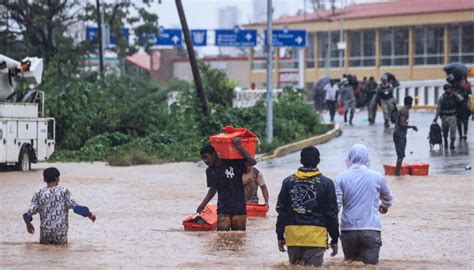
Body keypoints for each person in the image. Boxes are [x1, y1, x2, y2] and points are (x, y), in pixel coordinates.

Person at [276, 146, 339, 267]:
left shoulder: (288, 182)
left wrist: (280, 235)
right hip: (315, 238)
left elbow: (281, 211)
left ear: (301, 161)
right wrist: (334, 238)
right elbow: (331, 214)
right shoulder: (326, 183)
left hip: (293, 237)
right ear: (318, 161)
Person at [334, 144, 393, 265]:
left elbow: (336, 205)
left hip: (348, 230)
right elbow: (388, 197)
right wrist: (385, 205)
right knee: (370, 267)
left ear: (350, 158)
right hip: (371, 229)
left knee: (350, 265)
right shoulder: (377, 177)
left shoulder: (340, 177)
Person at [23, 167, 96, 244]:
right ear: (58, 179)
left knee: (44, 252)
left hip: (45, 232)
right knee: (61, 252)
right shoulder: (63, 191)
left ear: (44, 180)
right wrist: (90, 214)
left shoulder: (39, 193)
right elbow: (76, 208)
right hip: (60, 232)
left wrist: (28, 223)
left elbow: (27, 214)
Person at [197, 138, 257, 231]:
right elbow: (213, 189)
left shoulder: (233, 163)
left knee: (239, 238)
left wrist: (240, 147)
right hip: (223, 208)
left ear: (213, 154)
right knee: (222, 237)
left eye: (206, 157)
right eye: (203, 159)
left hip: (239, 206)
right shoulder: (210, 171)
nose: (205, 161)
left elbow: (253, 162)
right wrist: (203, 204)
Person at [393, 96, 418, 175]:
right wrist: (412, 127)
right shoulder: (405, 111)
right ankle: (397, 174)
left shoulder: (403, 110)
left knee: (400, 155)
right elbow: (402, 124)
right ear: (410, 104)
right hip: (400, 135)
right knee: (400, 156)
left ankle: (397, 174)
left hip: (397, 134)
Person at [433, 84, 463, 149]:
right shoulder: (442, 97)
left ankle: (452, 143)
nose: (448, 90)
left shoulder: (455, 96)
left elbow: (461, 100)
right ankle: (446, 140)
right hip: (444, 116)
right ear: (444, 90)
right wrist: (436, 117)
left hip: (453, 115)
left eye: (449, 88)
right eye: (447, 89)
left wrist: (455, 94)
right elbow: (439, 108)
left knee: (453, 130)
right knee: (445, 130)